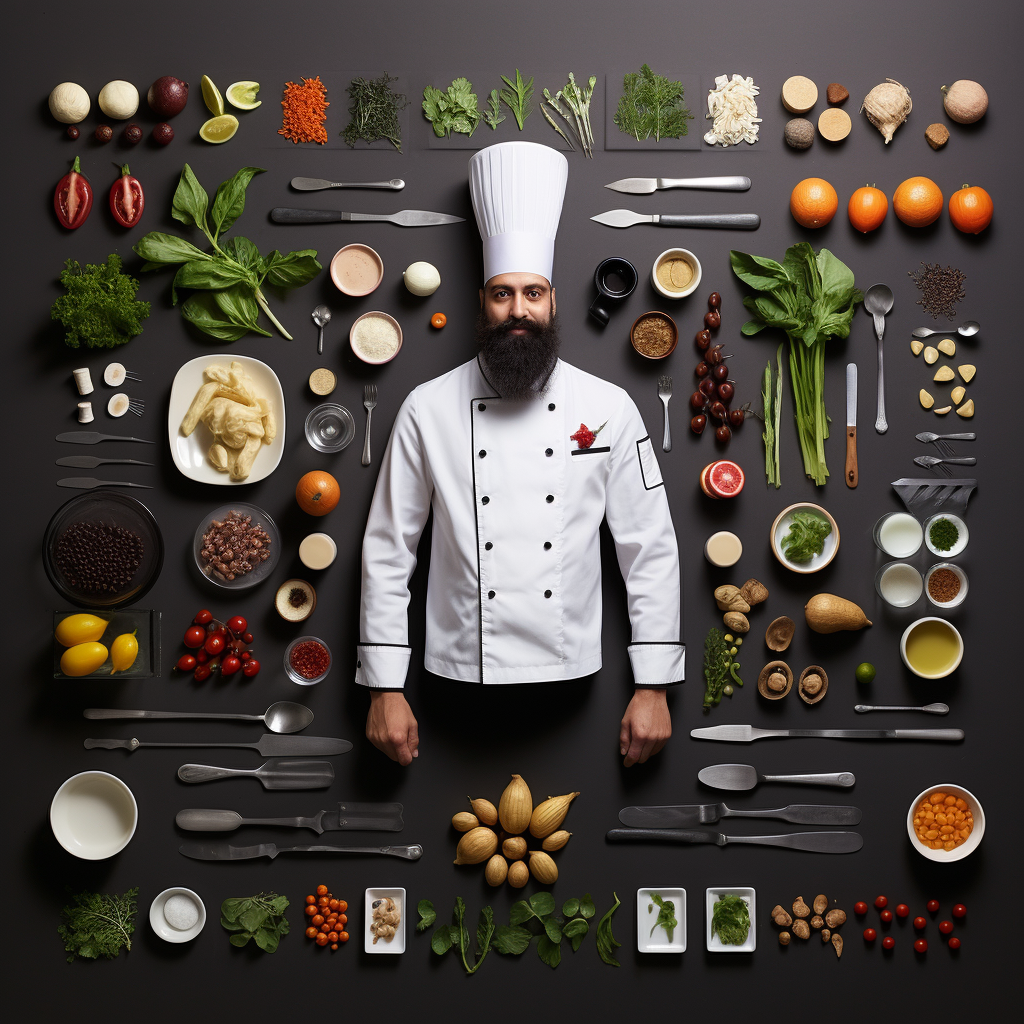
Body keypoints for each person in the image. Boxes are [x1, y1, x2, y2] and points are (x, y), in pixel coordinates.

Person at [356, 142, 684, 767]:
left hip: (577, 675)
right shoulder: (427, 408)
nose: (518, 311)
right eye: (502, 294)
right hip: (454, 676)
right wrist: (383, 685)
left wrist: (654, 685)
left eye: (532, 293)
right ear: (482, 303)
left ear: (553, 301)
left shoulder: (609, 406)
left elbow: (650, 549)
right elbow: (388, 549)